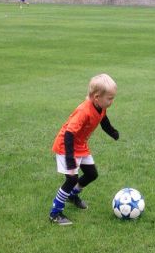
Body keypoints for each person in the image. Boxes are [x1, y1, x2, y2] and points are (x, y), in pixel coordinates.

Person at [48, 73, 120, 225]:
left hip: (80, 145)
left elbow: (103, 120)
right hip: (66, 146)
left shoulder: (100, 107)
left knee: (91, 174)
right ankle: (55, 213)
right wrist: (70, 159)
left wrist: (113, 132)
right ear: (97, 97)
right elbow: (69, 134)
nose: (112, 101)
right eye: (110, 98)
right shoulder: (84, 110)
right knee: (71, 179)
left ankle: (72, 195)